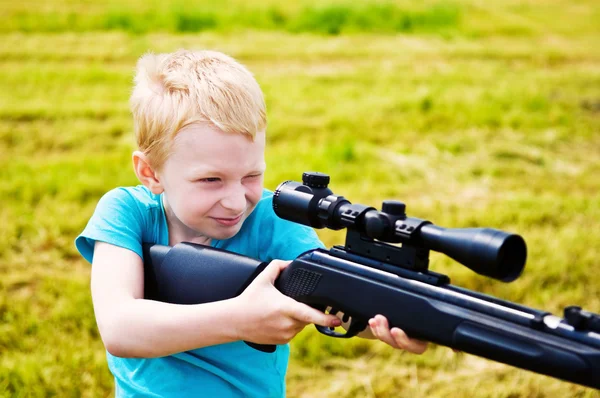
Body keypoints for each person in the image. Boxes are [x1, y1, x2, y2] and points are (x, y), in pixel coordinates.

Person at [75, 49, 427, 397]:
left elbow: (337, 301)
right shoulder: (126, 211)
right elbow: (120, 328)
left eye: (251, 175)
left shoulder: (272, 219)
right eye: (211, 180)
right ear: (151, 173)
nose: (235, 200)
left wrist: (391, 320)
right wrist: (240, 319)